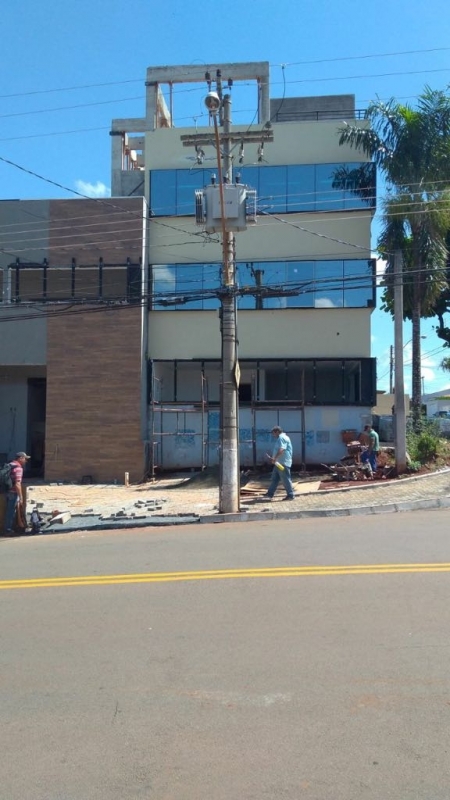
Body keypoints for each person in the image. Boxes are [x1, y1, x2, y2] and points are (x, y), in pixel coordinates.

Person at [265, 426, 295, 500]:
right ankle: (269, 494)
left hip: (282, 463)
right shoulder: (282, 438)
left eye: (273, 433)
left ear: (277, 432)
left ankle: (290, 495)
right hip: (279, 463)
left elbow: (282, 449)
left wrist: (275, 458)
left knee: (285, 479)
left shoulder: (282, 438)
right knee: (274, 479)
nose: (273, 435)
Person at [3, 452, 30, 536]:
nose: (26, 461)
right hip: (13, 492)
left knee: (8, 510)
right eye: (25, 459)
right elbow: (17, 484)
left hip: (6, 491)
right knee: (11, 511)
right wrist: (21, 496)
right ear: (20, 458)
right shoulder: (18, 468)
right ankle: (8, 530)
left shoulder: (9, 465)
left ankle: (10, 528)